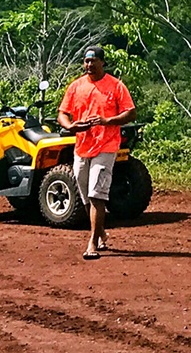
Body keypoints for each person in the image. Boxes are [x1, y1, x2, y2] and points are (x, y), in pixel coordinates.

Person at [57, 46, 135, 261]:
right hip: (82, 147)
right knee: (85, 196)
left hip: (107, 146)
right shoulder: (76, 86)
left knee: (96, 195)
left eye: (93, 61)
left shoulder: (116, 86)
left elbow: (130, 112)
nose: (89, 65)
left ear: (102, 62)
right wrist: (72, 127)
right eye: (86, 61)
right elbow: (62, 113)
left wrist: (108, 121)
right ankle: (100, 232)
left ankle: (92, 242)